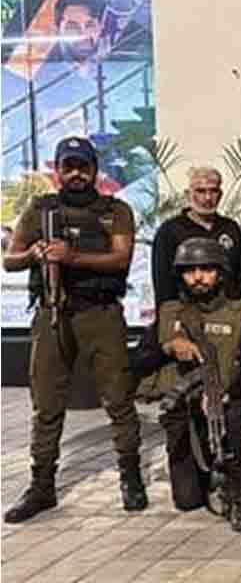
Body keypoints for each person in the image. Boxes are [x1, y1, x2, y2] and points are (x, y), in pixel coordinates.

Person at [3, 136, 145, 523]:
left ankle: (131, 477)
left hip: (100, 314)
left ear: (95, 170)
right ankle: (42, 485)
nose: (76, 174)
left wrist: (72, 256)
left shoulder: (114, 211)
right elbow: (9, 260)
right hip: (53, 312)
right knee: (47, 403)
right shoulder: (41, 210)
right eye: (69, 167)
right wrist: (33, 254)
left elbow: (121, 258)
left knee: (118, 398)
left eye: (83, 166)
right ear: (58, 170)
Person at [151, 239, 241, 530]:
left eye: (206, 270)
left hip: (224, 400)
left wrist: (224, 392)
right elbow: (138, 362)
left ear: (220, 274)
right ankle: (208, 468)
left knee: (235, 415)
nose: (198, 277)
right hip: (185, 411)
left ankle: (238, 488)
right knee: (187, 500)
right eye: (190, 271)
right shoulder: (170, 312)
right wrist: (169, 346)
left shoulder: (239, 312)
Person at [151, 166, 241, 305]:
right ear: (188, 194)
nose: (208, 197)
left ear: (220, 194)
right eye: (200, 191)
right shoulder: (169, 231)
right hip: (185, 310)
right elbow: (163, 281)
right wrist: (168, 313)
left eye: (213, 191)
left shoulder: (231, 228)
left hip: (228, 311)